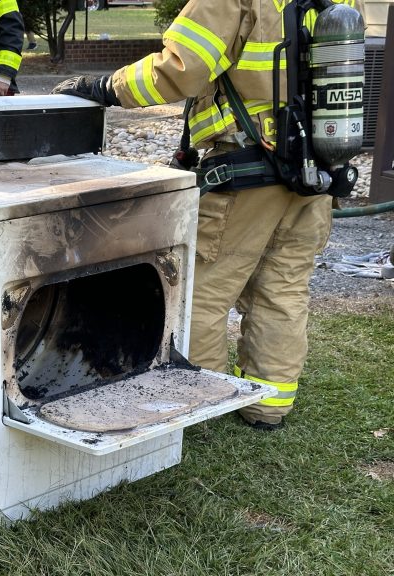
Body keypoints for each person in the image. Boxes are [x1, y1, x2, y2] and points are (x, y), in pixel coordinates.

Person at [53, 0, 365, 431]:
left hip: (247, 173)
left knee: (201, 293)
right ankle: (268, 406)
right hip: (315, 173)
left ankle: (201, 404)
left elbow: (179, 70)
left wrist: (106, 87)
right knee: (283, 292)